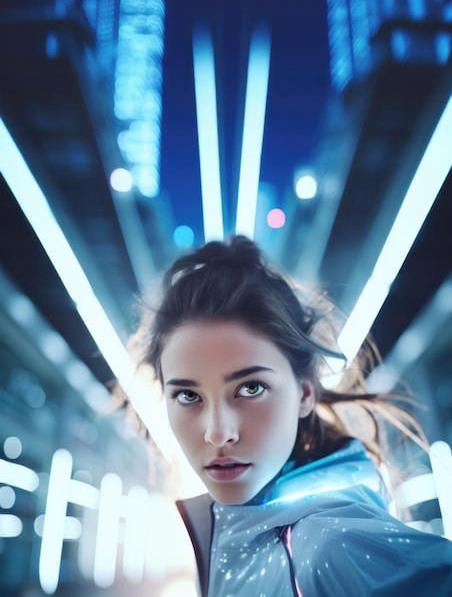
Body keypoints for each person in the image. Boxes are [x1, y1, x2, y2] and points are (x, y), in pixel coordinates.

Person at [129, 235, 452, 597]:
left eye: (250, 388)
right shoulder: (238, 534)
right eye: (188, 395)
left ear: (304, 394)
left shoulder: (333, 544)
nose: (218, 433)